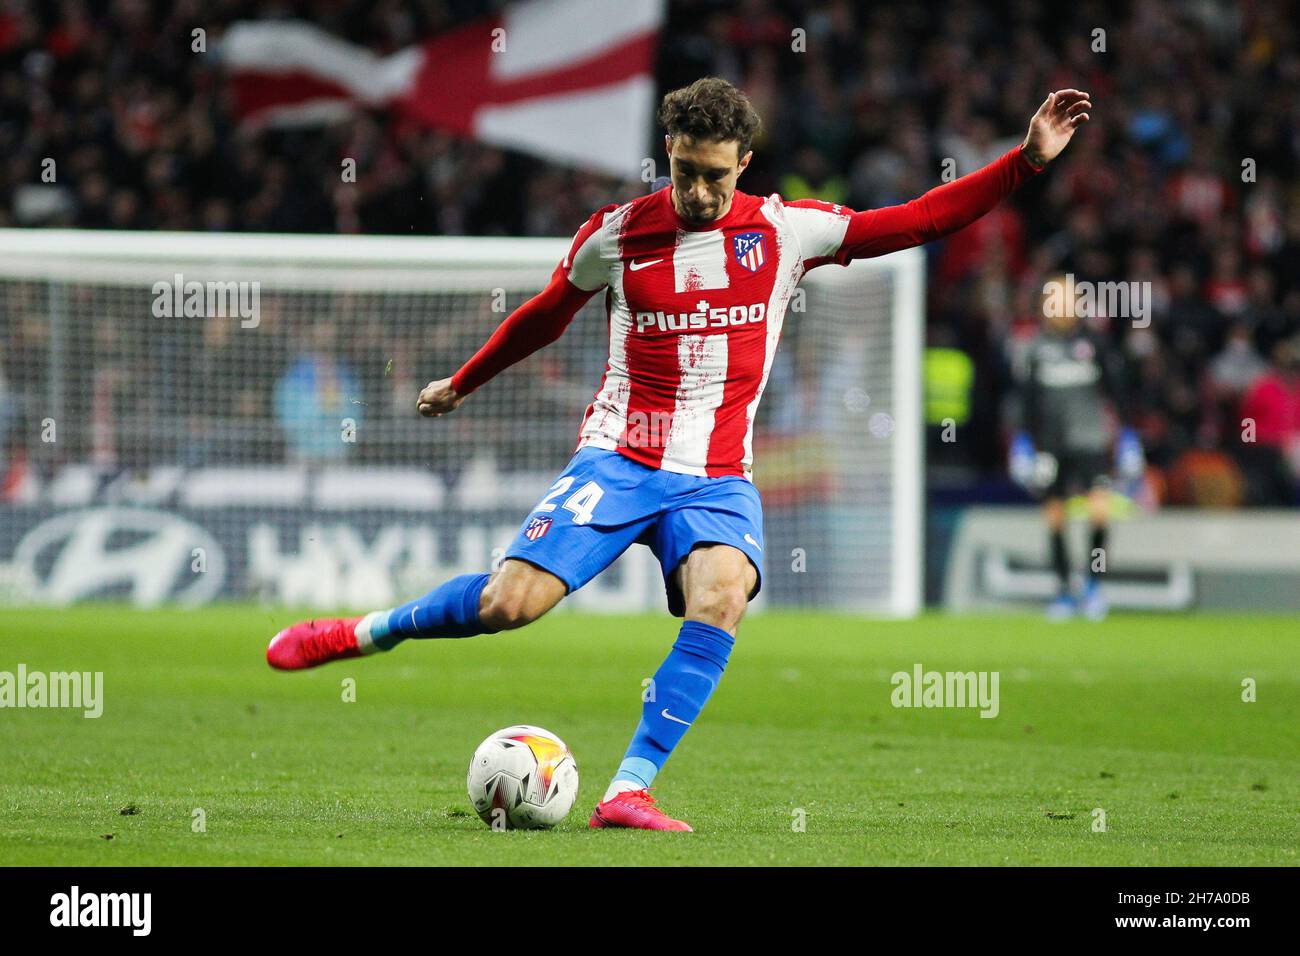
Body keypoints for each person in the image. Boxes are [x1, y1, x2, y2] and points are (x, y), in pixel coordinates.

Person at [267, 77, 1091, 830]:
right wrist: (464, 380)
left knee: (724, 596)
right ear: (668, 154)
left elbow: (915, 220)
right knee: (507, 607)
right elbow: (547, 314)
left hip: (718, 476)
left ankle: (629, 788)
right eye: (684, 171)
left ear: (745, 162)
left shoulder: (784, 231)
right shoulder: (617, 234)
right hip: (618, 457)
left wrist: (1022, 163)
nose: (698, 192)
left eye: (715, 175)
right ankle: (366, 632)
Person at [1010, 277, 1139, 620]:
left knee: (1099, 511)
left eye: (1065, 299)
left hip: (1091, 441)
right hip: (1051, 445)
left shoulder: (1094, 345)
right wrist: (1022, 442)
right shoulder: (1034, 349)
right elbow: (1025, 401)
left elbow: (1118, 393)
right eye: (1053, 299)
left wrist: (1127, 437)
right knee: (1054, 518)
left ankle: (1094, 585)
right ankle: (1065, 590)